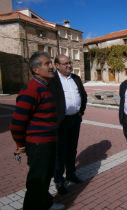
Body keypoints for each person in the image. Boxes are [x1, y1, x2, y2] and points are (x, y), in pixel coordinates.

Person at [10, 51, 64, 210]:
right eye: (47, 64)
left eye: (51, 63)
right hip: (39, 145)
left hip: (48, 142)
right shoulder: (31, 89)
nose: (51, 66)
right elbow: (17, 123)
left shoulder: (45, 87)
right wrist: (21, 143)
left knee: (46, 177)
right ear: (36, 70)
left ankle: (46, 204)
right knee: (37, 182)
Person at [49, 55, 87, 195]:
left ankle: (71, 174)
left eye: (70, 63)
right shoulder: (52, 80)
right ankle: (59, 180)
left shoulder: (76, 78)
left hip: (74, 120)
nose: (69, 66)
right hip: (60, 122)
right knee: (59, 152)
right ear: (57, 66)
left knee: (72, 149)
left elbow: (83, 95)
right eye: (65, 64)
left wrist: (80, 111)